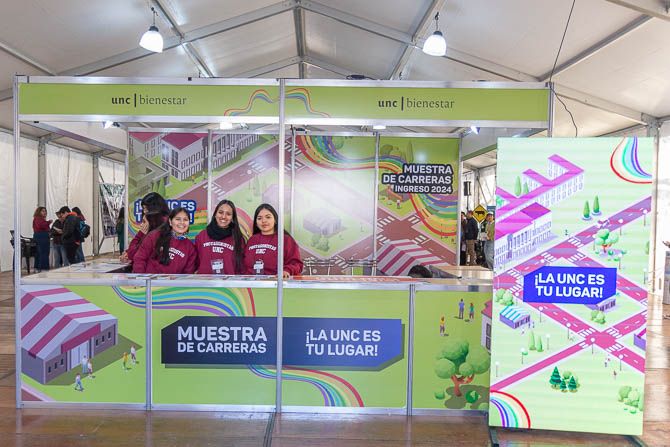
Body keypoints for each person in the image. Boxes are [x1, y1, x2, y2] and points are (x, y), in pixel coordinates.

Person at [244, 203, 303, 278]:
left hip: (276, 285)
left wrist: (286, 271)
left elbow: (297, 264)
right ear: (256, 222)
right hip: (252, 286)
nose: (264, 221)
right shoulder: (252, 240)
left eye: (268, 217)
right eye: (259, 218)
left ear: (275, 220)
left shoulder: (286, 240)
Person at [132, 207, 198, 274]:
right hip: (150, 283)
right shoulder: (154, 236)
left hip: (174, 284)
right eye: (178, 219)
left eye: (185, 220)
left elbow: (188, 273)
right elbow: (140, 258)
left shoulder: (190, 248)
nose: (182, 222)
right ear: (170, 222)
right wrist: (141, 280)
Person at [196, 200, 246, 275]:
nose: (223, 216)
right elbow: (195, 263)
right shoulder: (202, 236)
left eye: (228, 214)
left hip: (229, 285)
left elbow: (241, 267)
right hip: (205, 284)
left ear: (232, 217)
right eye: (220, 212)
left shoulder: (238, 238)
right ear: (215, 214)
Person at [122, 192, 169, 263]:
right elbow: (132, 252)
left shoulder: (160, 229)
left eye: (146, 209)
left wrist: (142, 234)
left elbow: (133, 254)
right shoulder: (160, 222)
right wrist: (127, 252)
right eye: (143, 208)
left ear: (154, 209)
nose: (144, 211)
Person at [32, 206, 52, 272]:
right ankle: (44, 268)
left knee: (39, 253)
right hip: (41, 237)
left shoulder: (39, 219)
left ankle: (37, 268)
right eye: (43, 211)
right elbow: (41, 226)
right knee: (44, 252)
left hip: (40, 236)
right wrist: (49, 222)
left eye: (45, 211)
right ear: (39, 212)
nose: (45, 212)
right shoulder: (38, 218)